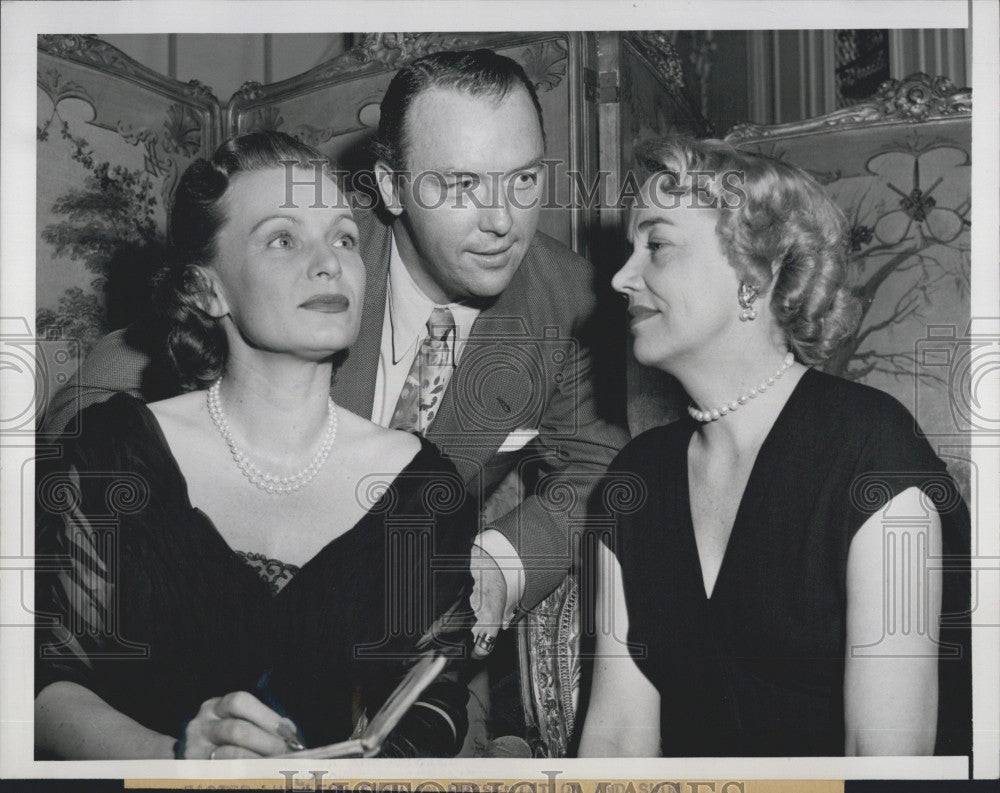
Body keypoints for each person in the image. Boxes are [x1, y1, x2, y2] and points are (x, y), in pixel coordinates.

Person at [42, 49, 629, 690]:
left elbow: (597, 466)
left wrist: (498, 562)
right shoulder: (313, 250)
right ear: (389, 187)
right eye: (460, 185)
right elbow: (100, 401)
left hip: (400, 648)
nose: (501, 222)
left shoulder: (569, 300)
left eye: (522, 180)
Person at [35, 131, 476, 759]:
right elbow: (46, 686)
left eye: (345, 238)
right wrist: (178, 760)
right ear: (207, 289)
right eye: (283, 238)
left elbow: (435, 702)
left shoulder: (424, 490)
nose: (329, 262)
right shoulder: (111, 456)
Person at [578, 135, 971, 757]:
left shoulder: (874, 452)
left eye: (656, 246)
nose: (622, 278)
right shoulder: (635, 481)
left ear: (754, 274)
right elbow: (617, 740)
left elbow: (888, 759)